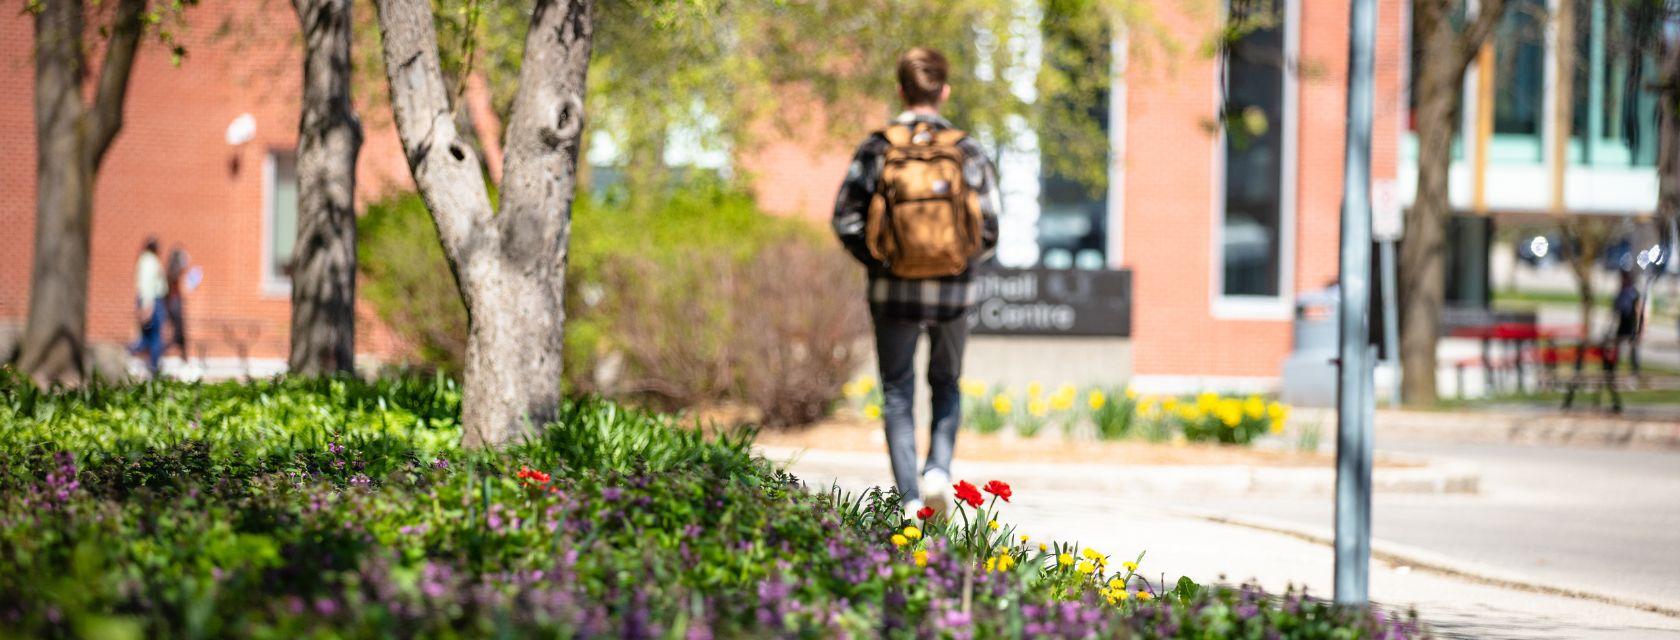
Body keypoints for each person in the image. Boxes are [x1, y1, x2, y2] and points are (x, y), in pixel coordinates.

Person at [832, 47, 1001, 519]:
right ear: (943, 90)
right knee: (946, 383)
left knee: (898, 392)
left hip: (893, 292)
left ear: (901, 90)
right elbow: (990, 229)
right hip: (954, 291)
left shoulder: (877, 147)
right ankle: (938, 473)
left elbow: (844, 219)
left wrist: (883, 260)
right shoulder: (967, 149)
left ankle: (909, 501)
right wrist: (955, 262)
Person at [127, 237, 167, 376]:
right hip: (152, 301)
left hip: (150, 300)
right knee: (153, 337)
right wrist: (147, 306)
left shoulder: (145, 260)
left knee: (147, 337)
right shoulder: (149, 261)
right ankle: (153, 368)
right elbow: (147, 285)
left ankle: (131, 358)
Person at [1611, 268, 1643, 385]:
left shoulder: (1633, 293)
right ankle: (1613, 373)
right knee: (1617, 350)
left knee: (1633, 351)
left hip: (1631, 326)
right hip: (1622, 325)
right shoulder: (1621, 293)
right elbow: (1615, 310)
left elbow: (1638, 312)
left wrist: (1639, 329)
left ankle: (1635, 374)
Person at [164, 246, 193, 361]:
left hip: (174, 302)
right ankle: (178, 354)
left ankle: (182, 355)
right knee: (178, 331)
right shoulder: (173, 271)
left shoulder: (174, 270)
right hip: (173, 302)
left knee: (179, 332)